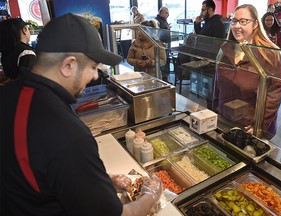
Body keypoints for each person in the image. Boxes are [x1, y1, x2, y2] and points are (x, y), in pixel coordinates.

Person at [0, 13, 162, 216]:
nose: (95, 75)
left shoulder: (7, 95)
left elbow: (40, 170)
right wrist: (151, 196)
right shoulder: (69, 136)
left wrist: (98, 182)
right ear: (68, 65)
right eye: (93, 67)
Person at [213, 4, 281, 140]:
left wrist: (259, 125)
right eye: (234, 21)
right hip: (225, 119)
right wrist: (214, 110)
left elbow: (275, 92)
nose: (237, 26)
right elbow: (217, 84)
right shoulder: (226, 48)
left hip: (250, 127)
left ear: (255, 24)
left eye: (243, 21)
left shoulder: (270, 53)